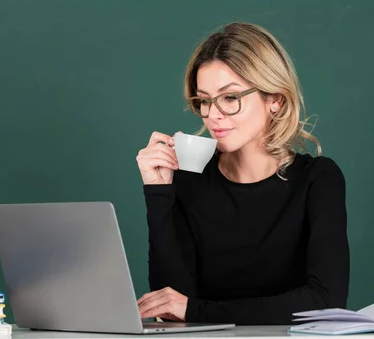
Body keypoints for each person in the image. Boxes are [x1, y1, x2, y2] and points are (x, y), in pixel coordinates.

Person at [135, 22, 349, 325]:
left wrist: (199, 311)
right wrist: (158, 193)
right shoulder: (189, 179)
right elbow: (170, 306)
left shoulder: (318, 179)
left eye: (230, 98)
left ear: (275, 99)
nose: (213, 115)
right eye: (204, 100)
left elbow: (326, 302)